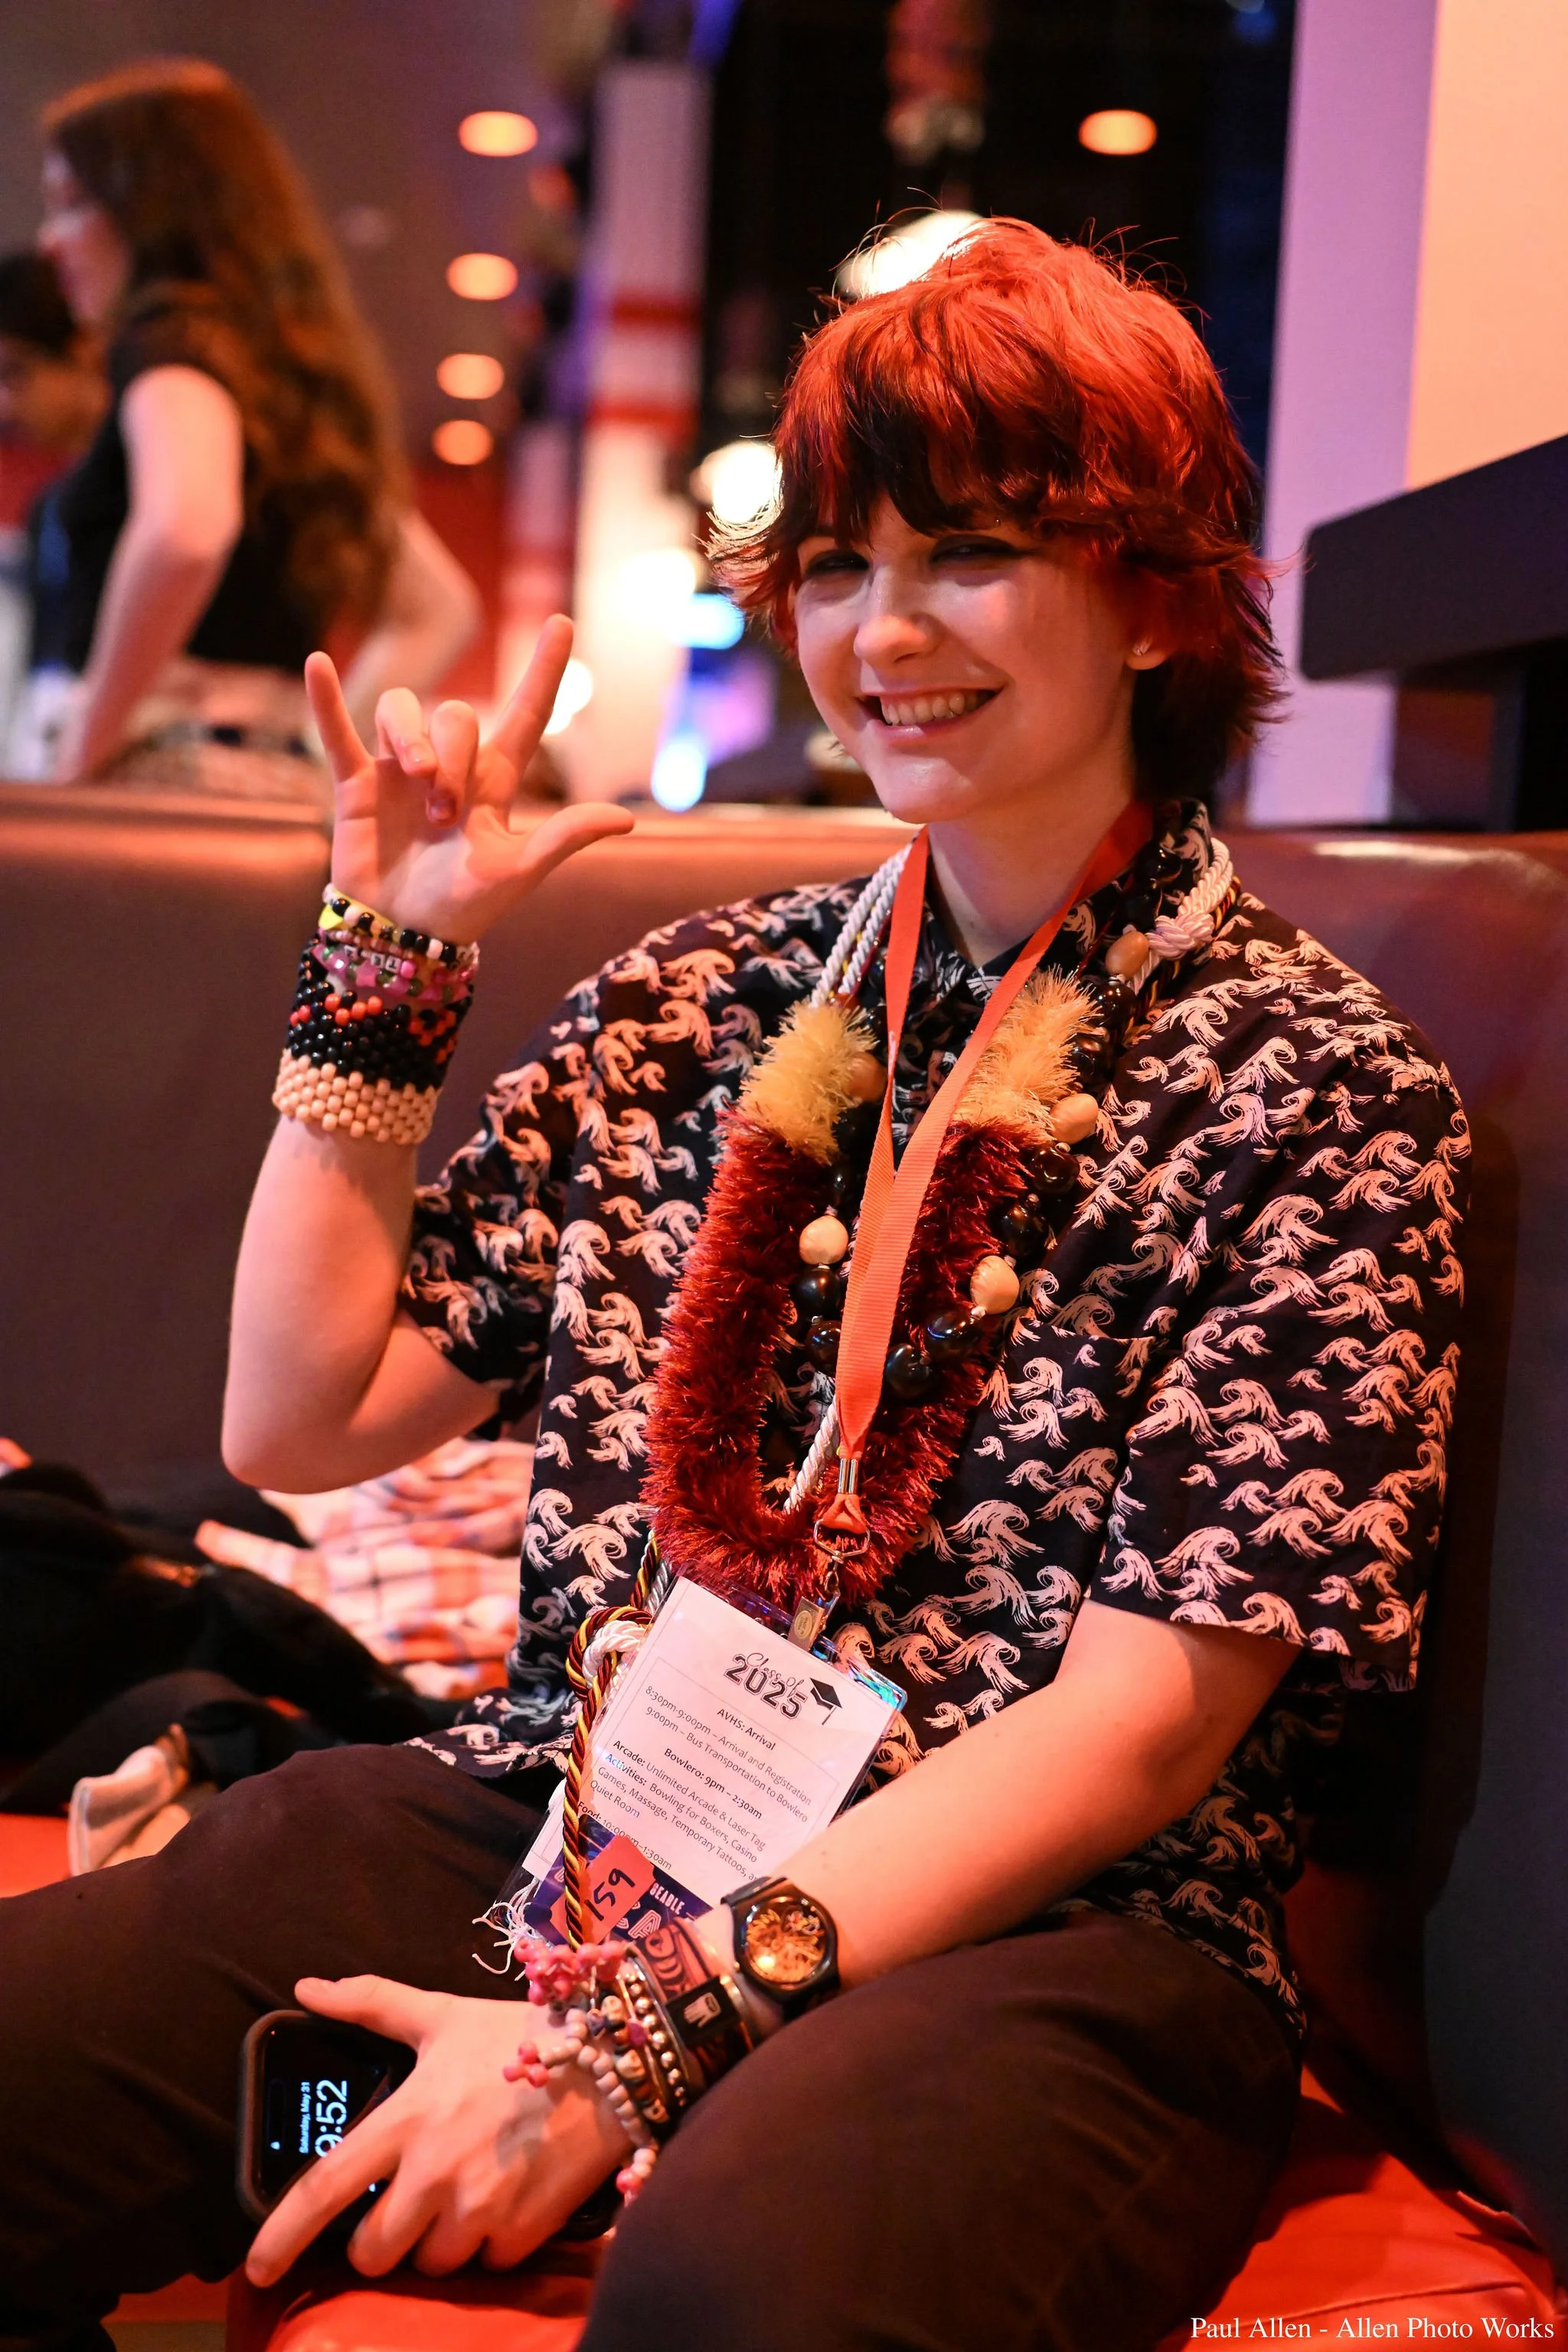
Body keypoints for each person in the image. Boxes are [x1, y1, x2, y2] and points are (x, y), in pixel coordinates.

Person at [0, 220, 1469, 2352]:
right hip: (577, 1825)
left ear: (1155, 596)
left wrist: (632, 2047)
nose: (886, 632)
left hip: (1052, 1933)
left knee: (753, 2293)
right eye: (839, 567)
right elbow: (297, 1419)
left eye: (968, 553)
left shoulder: (1317, 1091)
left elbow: (1142, 1737)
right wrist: (382, 965)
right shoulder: (702, 1003)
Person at [7, 57, 478, 805]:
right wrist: (325, 766)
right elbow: (440, 607)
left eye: (72, 203)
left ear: (146, 206)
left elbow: (186, 529)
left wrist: (81, 752)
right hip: (270, 788)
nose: (51, 242)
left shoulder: (167, 340)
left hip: (158, 781)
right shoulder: (277, 381)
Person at [0, 251, 106, 751]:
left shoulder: (151, 492)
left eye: (17, 372)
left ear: (85, 352)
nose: (5, 403)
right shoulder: (47, 507)